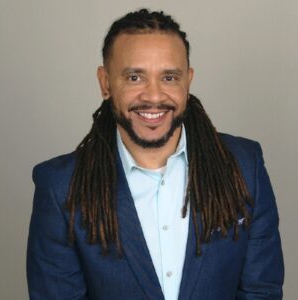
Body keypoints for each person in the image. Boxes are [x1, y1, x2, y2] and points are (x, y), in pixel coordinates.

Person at [27, 8, 284, 300]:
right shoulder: (60, 188)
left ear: (188, 81)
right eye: (135, 77)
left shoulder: (244, 166)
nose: (153, 96)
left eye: (169, 78)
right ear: (106, 83)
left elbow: (261, 292)